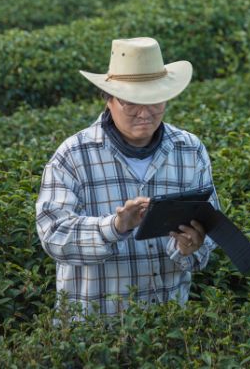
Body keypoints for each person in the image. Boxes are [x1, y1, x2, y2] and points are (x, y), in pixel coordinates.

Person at [36, 37, 219, 316]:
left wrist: (192, 246)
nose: (145, 113)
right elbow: (53, 236)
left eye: (154, 101)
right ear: (108, 100)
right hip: (92, 331)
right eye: (131, 102)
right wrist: (115, 226)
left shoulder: (189, 151)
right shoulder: (73, 156)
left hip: (166, 325)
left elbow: (211, 225)